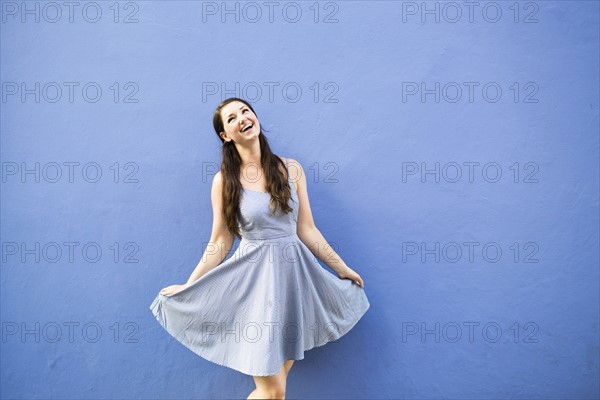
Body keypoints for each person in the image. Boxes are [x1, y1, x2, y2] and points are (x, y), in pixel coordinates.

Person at [149, 97, 370, 399]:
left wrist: (341, 268)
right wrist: (190, 286)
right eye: (231, 118)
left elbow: (306, 229)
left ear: (254, 117)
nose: (241, 118)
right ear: (225, 135)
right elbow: (220, 240)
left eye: (244, 111)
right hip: (254, 287)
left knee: (274, 391)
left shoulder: (291, 169)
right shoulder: (224, 181)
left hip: (295, 284)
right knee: (273, 391)